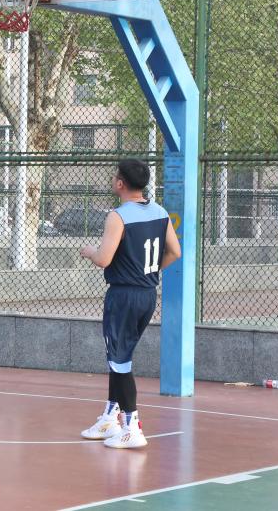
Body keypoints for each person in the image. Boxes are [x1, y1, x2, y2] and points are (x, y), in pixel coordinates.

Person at [79, 159, 180, 449]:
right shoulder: (160, 212)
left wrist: (89, 251)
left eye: (115, 176)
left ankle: (132, 426)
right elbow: (175, 251)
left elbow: (104, 259)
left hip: (123, 296)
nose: (113, 179)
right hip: (147, 294)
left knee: (120, 361)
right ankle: (111, 416)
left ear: (121, 183)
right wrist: (150, 271)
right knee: (118, 356)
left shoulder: (118, 216)